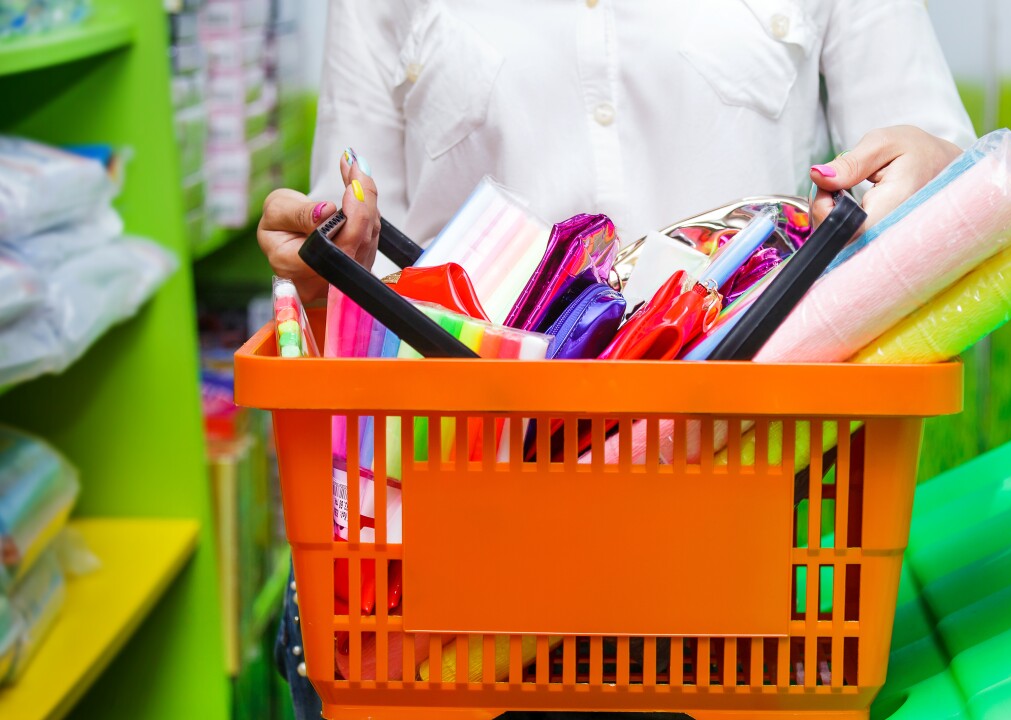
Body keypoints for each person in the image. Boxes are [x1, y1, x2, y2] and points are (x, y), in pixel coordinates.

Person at [264, 1, 974, 717]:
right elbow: (351, 254)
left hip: (740, 546)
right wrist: (326, 269)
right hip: (455, 571)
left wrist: (936, 179)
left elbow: (949, 173)